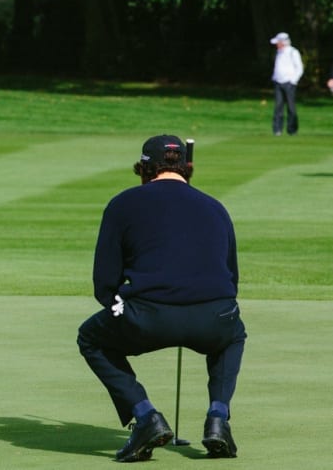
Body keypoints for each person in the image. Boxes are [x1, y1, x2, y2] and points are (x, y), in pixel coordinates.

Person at [77, 135, 246, 462]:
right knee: (233, 334)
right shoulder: (216, 207)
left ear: (143, 169)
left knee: (91, 338)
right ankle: (218, 419)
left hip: (147, 317)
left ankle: (145, 416)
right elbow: (231, 278)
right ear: (186, 168)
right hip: (214, 318)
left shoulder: (122, 203)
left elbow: (104, 283)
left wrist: (118, 307)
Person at [269, 32, 303, 136]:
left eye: (278, 42)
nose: (276, 44)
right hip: (278, 82)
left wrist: (293, 80)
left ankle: (292, 129)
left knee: (291, 107)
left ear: (283, 42)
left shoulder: (293, 52)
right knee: (278, 106)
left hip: (289, 83)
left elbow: (299, 68)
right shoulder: (279, 52)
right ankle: (277, 129)